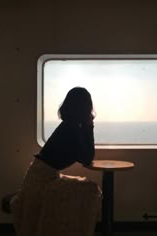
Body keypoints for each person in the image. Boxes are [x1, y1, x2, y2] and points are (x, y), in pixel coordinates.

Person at [11, 87, 101, 236]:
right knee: (90, 191)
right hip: (43, 180)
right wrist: (89, 127)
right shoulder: (72, 130)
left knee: (88, 190)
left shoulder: (69, 126)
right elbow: (87, 158)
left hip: (40, 175)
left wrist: (86, 127)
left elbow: (86, 156)